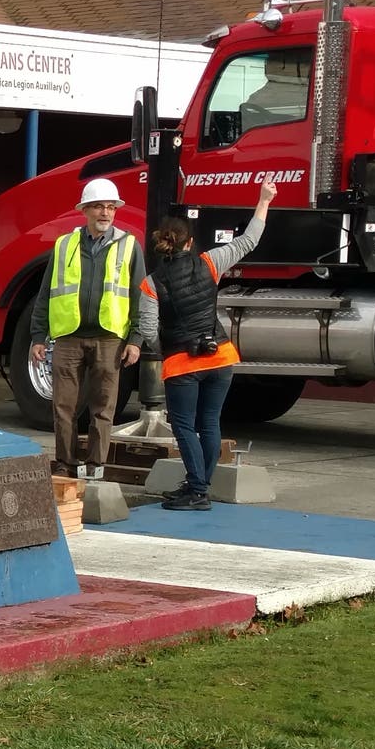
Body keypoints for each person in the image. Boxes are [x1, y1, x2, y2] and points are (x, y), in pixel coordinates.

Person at [142, 182, 276, 509]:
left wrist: (167, 346)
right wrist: (264, 200)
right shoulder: (210, 262)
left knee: (184, 426)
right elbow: (249, 240)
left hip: (182, 363)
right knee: (210, 423)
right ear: (189, 242)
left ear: (162, 245)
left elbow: (147, 328)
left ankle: (198, 490)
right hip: (220, 357)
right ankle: (198, 485)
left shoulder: (151, 283)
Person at [30, 178, 157, 477]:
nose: (105, 213)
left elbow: (140, 295)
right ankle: (65, 464)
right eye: (99, 206)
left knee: (103, 407)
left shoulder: (129, 246)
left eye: (111, 207)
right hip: (68, 337)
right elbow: (46, 291)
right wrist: (38, 335)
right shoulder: (64, 245)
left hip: (109, 338)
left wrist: (136, 339)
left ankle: (96, 466)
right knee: (63, 406)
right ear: (85, 210)